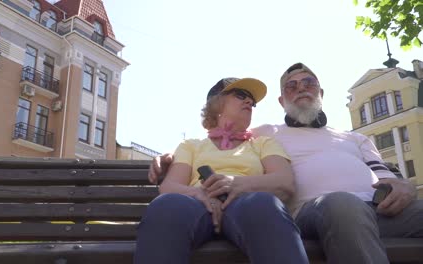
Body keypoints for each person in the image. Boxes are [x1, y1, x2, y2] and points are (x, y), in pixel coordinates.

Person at [149, 63, 423, 264]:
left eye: (309, 83)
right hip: (324, 210)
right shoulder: (268, 133)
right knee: (342, 205)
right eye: (291, 86)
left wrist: (404, 187)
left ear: (321, 92)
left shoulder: (356, 138)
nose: (301, 88)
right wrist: (170, 159)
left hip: (380, 208)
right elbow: (217, 142)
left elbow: (383, 173)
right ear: (281, 101)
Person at [134, 77, 309, 264]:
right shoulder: (191, 146)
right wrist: (200, 195)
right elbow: (169, 186)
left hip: (247, 204)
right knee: (167, 206)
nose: (249, 101)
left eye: (252, 101)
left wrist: (235, 185)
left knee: (264, 205)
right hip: (197, 205)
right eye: (241, 95)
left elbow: (284, 181)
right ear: (216, 103)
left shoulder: (263, 143)